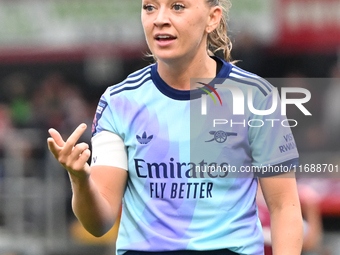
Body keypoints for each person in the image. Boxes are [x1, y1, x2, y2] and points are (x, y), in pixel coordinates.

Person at [47, 0, 303, 254]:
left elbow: (284, 207)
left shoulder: (256, 97)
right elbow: (99, 223)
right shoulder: (118, 102)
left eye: (177, 6)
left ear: (212, 18)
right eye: (150, 7)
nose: (160, 19)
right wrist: (80, 179)